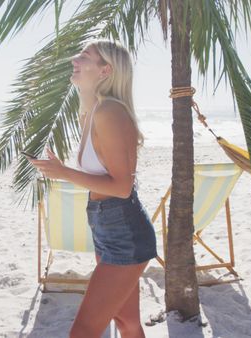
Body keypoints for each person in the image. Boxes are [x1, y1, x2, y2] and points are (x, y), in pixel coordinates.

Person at [28, 39, 157, 338]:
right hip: (107, 227)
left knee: (83, 331)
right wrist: (61, 170)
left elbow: (122, 187)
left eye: (84, 56)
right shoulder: (92, 112)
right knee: (127, 323)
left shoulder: (109, 111)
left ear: (105, 70)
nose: (75, 58)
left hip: (123, 231)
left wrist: (64, 173)